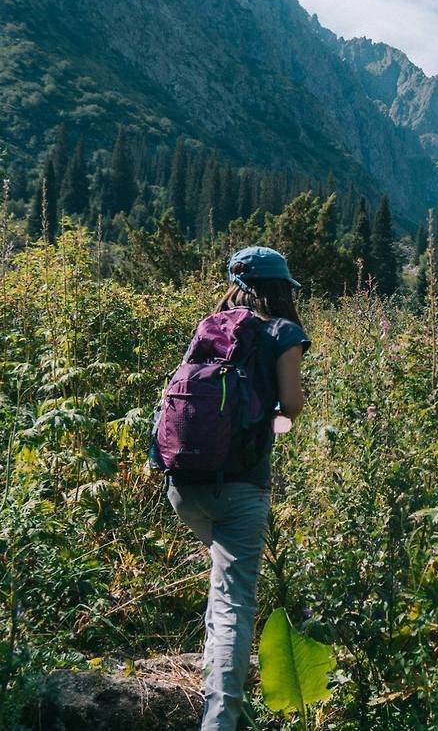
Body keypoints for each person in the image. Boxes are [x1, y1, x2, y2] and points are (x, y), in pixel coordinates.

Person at [166, 246, 309, 731]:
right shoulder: (282, 332)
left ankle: (222, 695)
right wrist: (277, 419)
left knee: (222, 584)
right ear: (280, 288)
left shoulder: (212, 326)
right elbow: (291, 404)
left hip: (184, 485)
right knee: (233, 604)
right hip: (242, 485)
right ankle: (220, 722)